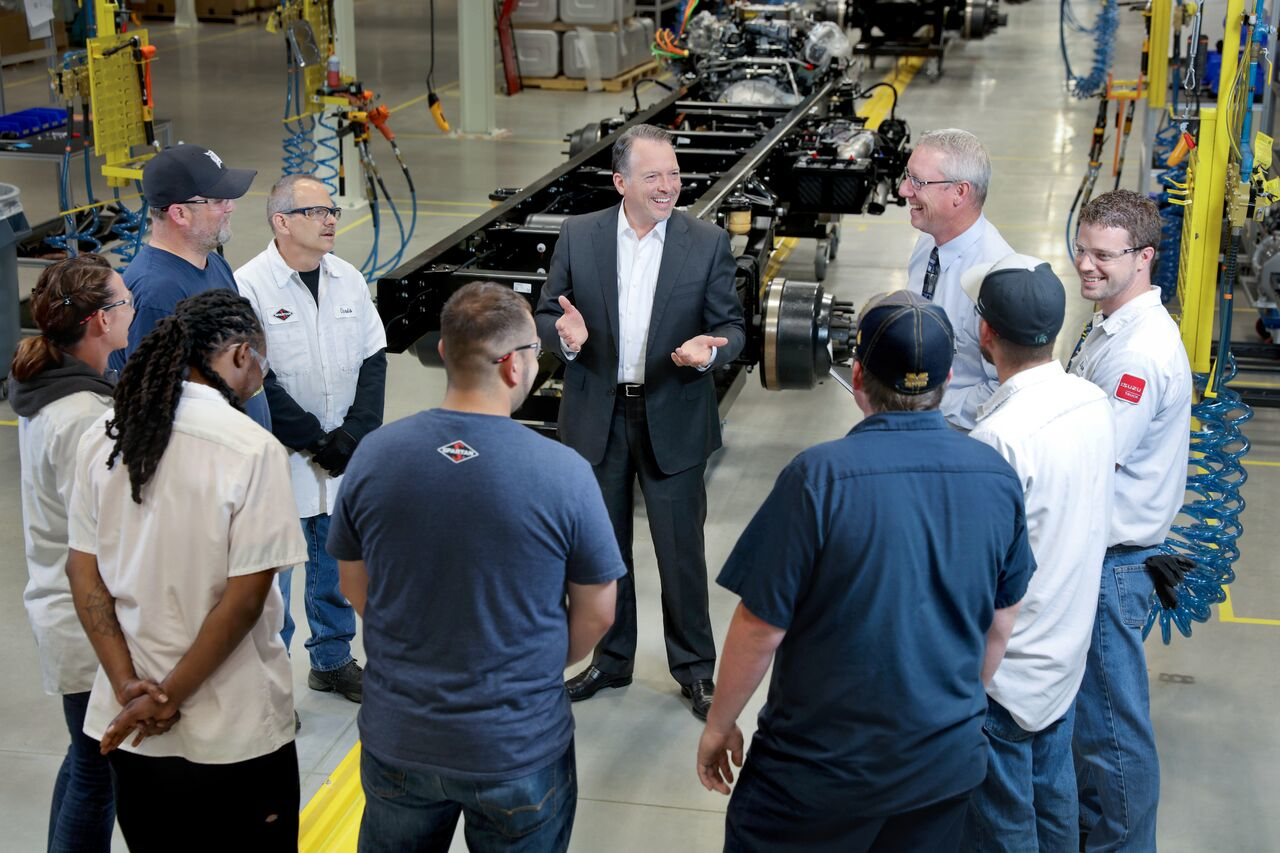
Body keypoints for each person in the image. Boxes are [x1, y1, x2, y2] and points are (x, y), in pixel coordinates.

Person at [697, 290, 1035, 853]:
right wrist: (947, 711)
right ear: (947, 379)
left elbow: (761, 627)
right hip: (941, 769)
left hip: (819, 776)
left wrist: (718, 725)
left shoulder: (819, 479)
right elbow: (1002, 622)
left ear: (856, 377)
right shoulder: (994, 475)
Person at [328, 282, 625, 852]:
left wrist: (416, 636)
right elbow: (598, 610)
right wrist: (535, 663)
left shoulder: (376, 455)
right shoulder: (562, 471)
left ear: (444, 352)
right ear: (514, 365)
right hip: (515, 745)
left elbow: (353, 583)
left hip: (399, 740)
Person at [66, 289, 307, 851]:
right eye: (263, 365)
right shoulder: (252, 448)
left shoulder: (105, 435)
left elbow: (85, 575)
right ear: (243, 355)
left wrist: (131, 686)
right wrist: (169, 696)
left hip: (131, 726)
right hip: (232, 727)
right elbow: (245, 599)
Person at [535, 123, 745, 720]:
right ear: (620, 181)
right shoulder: (580, 236)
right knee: (604, 551)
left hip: (672, 412)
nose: (668, 186)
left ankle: (695, 669)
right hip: (597, 415)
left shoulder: (704, 242)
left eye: (674, 174)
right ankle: (612, 657)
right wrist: (565, 338)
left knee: (681, 550)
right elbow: (550, 311)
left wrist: (713, 352)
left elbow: (732, 327)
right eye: (653, 176)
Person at [958, 254, 1116, 852]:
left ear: (986, 334)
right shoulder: (1090, 401)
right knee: (1054, 805)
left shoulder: (1000, 436)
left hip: (1007, 674)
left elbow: (982, 577)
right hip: (1063, 655)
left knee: (1002, 829)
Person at [1068, 189, 1192, 852]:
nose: (1086, 264)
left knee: (1112, 733)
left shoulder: (1139, 353)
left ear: (1144, 257)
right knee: (1095, 728)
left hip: (1113, 567)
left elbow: (1092, 455)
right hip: (1104, 558)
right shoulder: (1113, 324)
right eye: (1082, 248)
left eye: (1104, 255)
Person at [236, 174, 387, 704]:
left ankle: (332, 659)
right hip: (283, 456)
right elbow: (254, 375)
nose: (330, 220)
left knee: (335, 561)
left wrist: (354, 434)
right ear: (281, 222)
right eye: (316, 212)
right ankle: (269, 679)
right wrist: (314, 440)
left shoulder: (347, 277)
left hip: (340, 455)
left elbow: (373, 358)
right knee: (273, 577)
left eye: (332, 211)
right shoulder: (248, 286)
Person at [10, 254, 132, 852]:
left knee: (85, 760)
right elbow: (113, 528)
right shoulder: (86, 415)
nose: (132, 310)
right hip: (87, 618)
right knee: (98, 771)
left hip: (60, 605)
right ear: (99, 321)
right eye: (124, 300)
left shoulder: (52, 388)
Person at [107, 142, 271, 430]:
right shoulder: (157, 292)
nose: (230, 207)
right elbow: (158, 404)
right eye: (218, 200)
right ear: (179, 214)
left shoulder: (214, 263)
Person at [900, 128, 1013, 430]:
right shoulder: (929, 242)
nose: (904, 190)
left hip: (957, 441)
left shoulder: (994, 278)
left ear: (960, 192)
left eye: (917, 182)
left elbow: (1003, 392)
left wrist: (922, 402)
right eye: (906, 176)